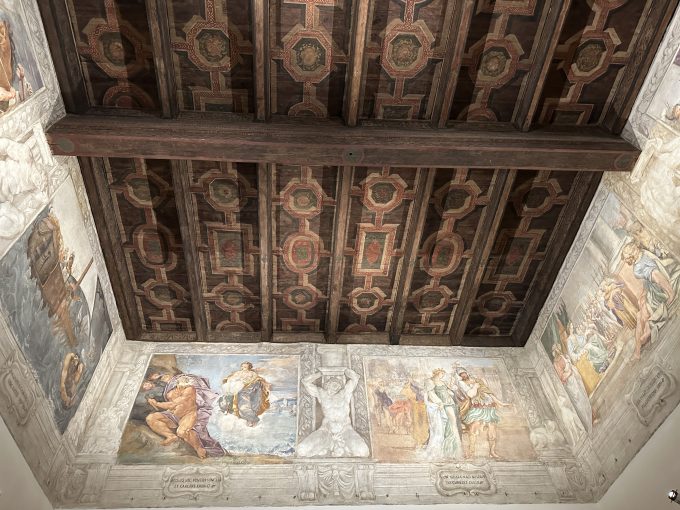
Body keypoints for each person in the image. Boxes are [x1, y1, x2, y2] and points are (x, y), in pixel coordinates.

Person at [621, 242, 679, 359]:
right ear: (632, 253)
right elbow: (653, 277)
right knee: (640, 314)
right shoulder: (637, 268)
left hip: (658, 287)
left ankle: (645, 334)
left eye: (634, 247)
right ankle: (638, 349)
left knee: (643, 310)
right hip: (655, 289)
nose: (636, 248)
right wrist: (644, 294)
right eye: (633, 249)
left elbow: (657, 273)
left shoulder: (644, 255)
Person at [146, 374, 225, 459]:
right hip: (173, 415)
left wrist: (157, 404)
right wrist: (150, 399)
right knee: (151, 418)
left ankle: (199, 448)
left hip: (188, 415)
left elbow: (173, 404)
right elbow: (164, 401)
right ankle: (170, 436)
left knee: (182, 432)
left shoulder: (190, 390)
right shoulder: (170, 392)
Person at [297, 368, 369, 457]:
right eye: (333, 384)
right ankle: (328, 447)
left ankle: (343, 448)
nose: (335, 386)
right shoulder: (322, 394)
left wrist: (349, 372)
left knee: (363, 451)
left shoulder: (344, 394)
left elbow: (355, 379)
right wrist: (318, 375)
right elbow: (305, 382)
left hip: (345, 430)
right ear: (327, 385)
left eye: (337, 384)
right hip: (326, 431)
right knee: (301, 449)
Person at [454, 367, 511, 459]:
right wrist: (475, 386)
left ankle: (492, 452)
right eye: (461, 374)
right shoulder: (462, 383)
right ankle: (471, 453)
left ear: (467, 372)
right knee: (473, 430)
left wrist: (500, 403)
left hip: (489, 407)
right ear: (459, 376)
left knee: (492, 431)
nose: (463, 375)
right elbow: (470, 394)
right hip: (477, 407)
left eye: (464, 373)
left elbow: (489, 393)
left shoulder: (478, 380)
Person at [552, 343, 592, 434]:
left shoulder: (564, 356)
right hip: (570, 384)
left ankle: (590, 418)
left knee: (583, 398)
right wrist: (569, 372)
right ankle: (586, 424)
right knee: (579, 402)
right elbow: (561, 377)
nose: (558, 350)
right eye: (556, 350)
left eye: (558, 348)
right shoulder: (556, 363)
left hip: (576, 380)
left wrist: (572, 371)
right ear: (554, 352)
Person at [423, 368, 463, 460]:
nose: (443, 375)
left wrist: (451, 391)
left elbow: (448, 392)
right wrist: (439, 402)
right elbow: (431, 394)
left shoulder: (443, 382)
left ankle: (454, 451)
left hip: (449, 403)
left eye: (443, 374)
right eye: (442, 373)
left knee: (453, 426)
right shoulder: (430, 381)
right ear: (437, 373)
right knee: (444, 427)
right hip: (442, 405)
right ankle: (444, 451)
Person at [219, 361, 271, 427]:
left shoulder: (252, 373)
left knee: (244, 407)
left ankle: (252, 420)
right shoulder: (238, 373)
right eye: (242, 367)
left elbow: (254, 381)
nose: (243, 368)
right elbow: (231, 378)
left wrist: (244, 384)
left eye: (245, 367)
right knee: (226, 401)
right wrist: (232, 381)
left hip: (246, 392)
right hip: (235, 391)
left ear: (249, 367)